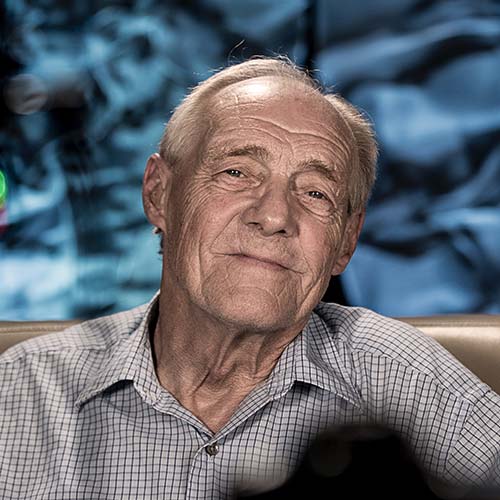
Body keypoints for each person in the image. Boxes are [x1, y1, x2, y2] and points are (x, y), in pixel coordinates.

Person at [1, 57, 499, 499]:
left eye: (315, 193)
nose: (275, 216)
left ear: (346, 242)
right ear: (159, 194)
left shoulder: (411, 383)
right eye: (237, 173)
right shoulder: (19, 393)